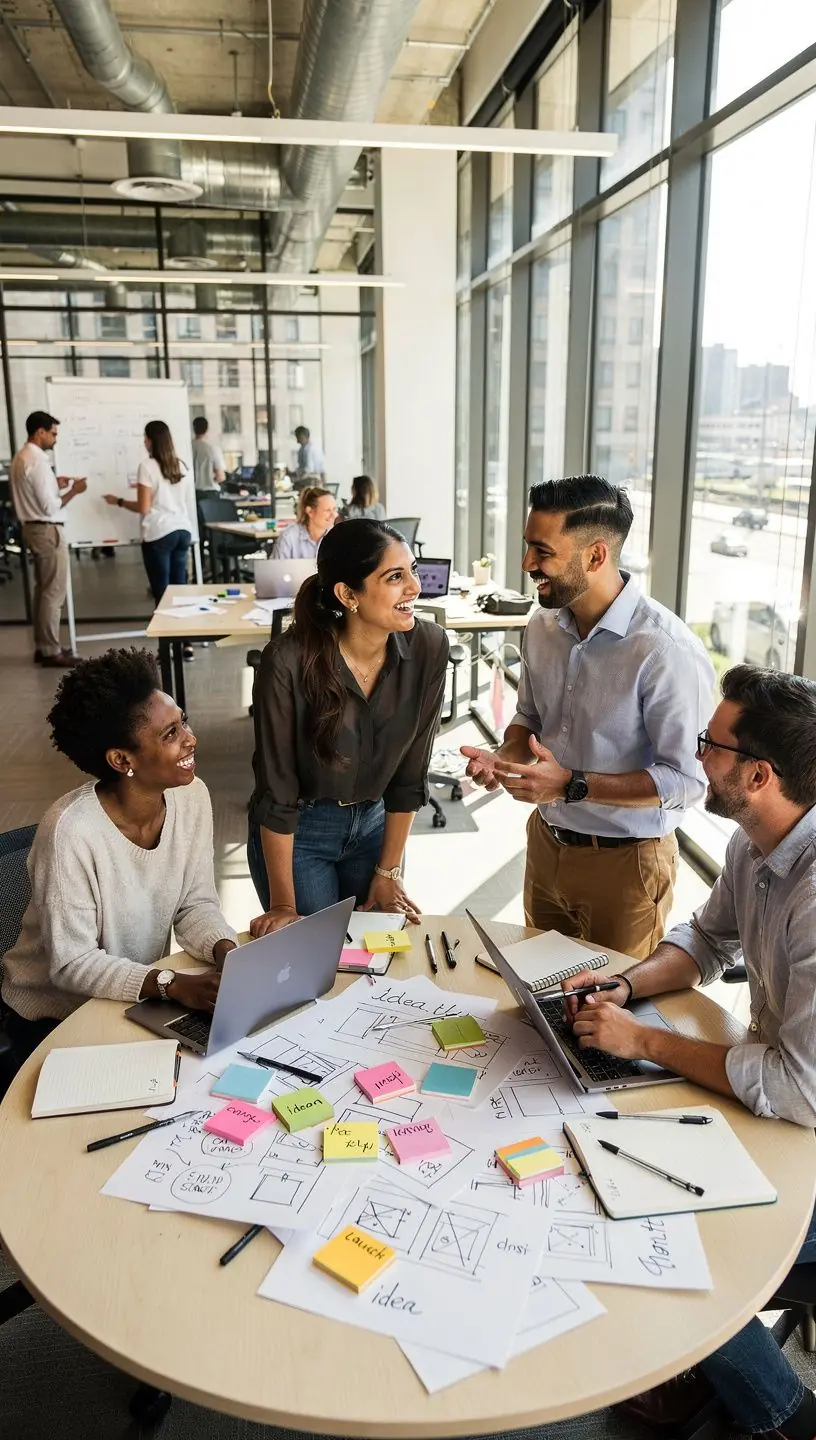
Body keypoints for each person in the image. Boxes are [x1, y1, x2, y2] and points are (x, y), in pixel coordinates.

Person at [563, 665, 816, 1439]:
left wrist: (644, 1043)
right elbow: (706, 939)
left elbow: (798, 1089)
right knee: (610, 1164)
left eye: (711, 744)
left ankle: (785, 1415)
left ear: (759, 773)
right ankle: (691, 1374)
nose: (694, 754)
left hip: (806, 1125)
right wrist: (628, 986)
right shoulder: (756, 843)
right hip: (783, 1103)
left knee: (658, 1230)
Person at [462, 476, 715, 960]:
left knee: (608, 1018)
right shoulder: (540, 626)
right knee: (539, 1003)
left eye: (542, 551)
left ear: (596, 556)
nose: (526, 565)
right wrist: (504, 757)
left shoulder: (665, 649)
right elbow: (529, 715)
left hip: (626, 866)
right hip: (547, 844)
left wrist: (570, 784)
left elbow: (687, 781)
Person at [1, 648, 237, 1072]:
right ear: (122, 760)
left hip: (137, 997)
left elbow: (194, 904)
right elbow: (72, 965)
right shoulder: (70, 832)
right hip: (55, 1015)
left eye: (182, 721)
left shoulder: (192, 796)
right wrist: (168, 984)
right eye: (169, 734)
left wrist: (227, 951)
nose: (190, 738)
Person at [247, 519, 449, 933]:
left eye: (413, 570)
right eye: (395, 577)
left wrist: (389, 871)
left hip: (377, 827)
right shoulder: (286, 662)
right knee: (319, 967)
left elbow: (410, 773)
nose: (415, 586)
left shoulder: (429, 646)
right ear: (347, 594)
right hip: (301, 834)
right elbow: (277, 791)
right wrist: (283, 904)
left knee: (376, 964)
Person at [9, 410, 87, 668]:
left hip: (33, 528)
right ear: (39, 432)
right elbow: (49, 507)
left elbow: (39, 495)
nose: (55, 438)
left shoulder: (22, 457)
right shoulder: (38, 461)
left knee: (43, 590)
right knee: (53, 592)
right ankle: (52, 650)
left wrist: (56, 483)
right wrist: (74, 491)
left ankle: (44, 647)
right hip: (47, 530)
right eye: (53, 433)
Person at [104, 420, 193, 604]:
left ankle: (166, 631)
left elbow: (143, 508)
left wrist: (119, 501)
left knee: (162, 594)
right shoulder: (181, 465)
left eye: (145, 438)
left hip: (159, 533)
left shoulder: (147, 466)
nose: (144, 442)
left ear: (151, 440)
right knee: (180, 592)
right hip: (183, 530)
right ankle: (183, 632)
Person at [272, 485, 337, 561]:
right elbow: (276, 571)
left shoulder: (338, 538)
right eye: (328, 510)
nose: (334, 515)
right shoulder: (288, 538)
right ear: (310, 511)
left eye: (334, 509)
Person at [191, 416, 226, 492]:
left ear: (193, 429)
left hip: (193, 493)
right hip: (210, 493)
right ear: (207, 429)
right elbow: (220, 477)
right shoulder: (213, 448)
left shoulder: (188, 448)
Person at [291, 425, 326, 490]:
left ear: (304, 436)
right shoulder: (304, 448)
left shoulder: (309, 449)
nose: (297, 440)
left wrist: (296, 479)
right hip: (315, 480)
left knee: (293, 486)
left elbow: (309, 469)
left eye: (298, 436)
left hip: (313, 480)